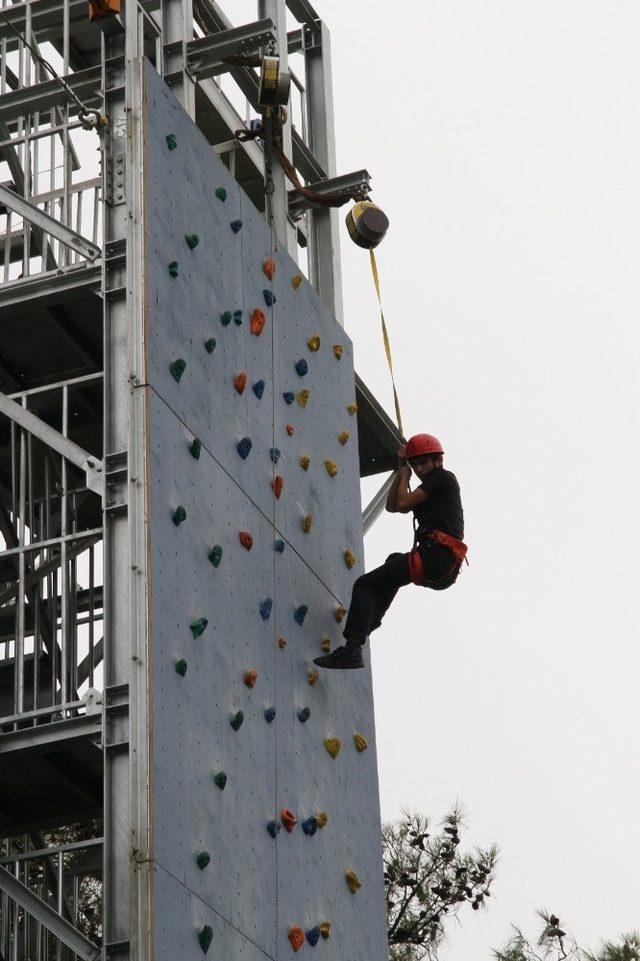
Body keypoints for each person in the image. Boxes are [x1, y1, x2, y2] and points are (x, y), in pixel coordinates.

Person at [313, 433, 466, 670]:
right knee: (393, 562)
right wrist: (401, 472)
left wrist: (404, 475)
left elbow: (403, 503)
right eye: (415, 465)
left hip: (437, 556)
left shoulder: (442, 478)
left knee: (365, 584)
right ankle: (369, 621)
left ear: (438, 460)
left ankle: (352, 648)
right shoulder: (432, 488)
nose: (420, 470)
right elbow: (393, 506)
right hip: (440, 563)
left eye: (423, 463)